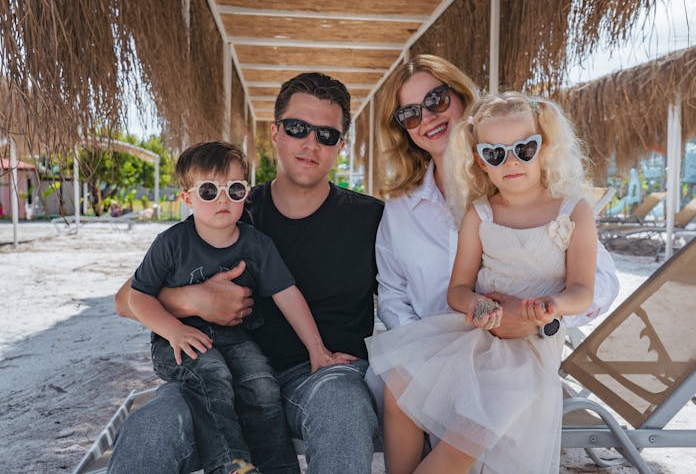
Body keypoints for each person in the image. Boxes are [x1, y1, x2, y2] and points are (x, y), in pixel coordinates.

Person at [110, 73, 384, 474]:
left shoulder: (372, 219)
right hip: (214, 376)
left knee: (344, 405)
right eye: (297, 128)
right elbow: (125, 300)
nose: (311, 143)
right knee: (149, 428)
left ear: (341, 146)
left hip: (317, 376)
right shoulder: (231, 205)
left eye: (327, 135)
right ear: (275, 133)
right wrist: (194, 298)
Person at [368, 55, 619, 473]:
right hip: (444, 346)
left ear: (463, 99)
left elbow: (602, 283)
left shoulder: (552, 201)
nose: (427, 117)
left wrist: (538, 319)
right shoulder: (402, 208)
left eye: (436, 99)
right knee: (400, 385)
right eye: (410, 114)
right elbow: (393, 296)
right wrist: (437, 359)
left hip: (523, 352)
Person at [128, 140, 353, 474]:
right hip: (178, 341)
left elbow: (287, 294)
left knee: (262, 384)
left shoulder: (256, 244)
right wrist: (173, 330)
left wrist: (317, 350)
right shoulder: (171, 243)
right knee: (212, 374)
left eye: (234, 189)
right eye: (208, 190)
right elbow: (137, 296)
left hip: (236, 339)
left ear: (246, 193)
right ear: (187, 197)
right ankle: (230, 465)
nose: (223, 199)